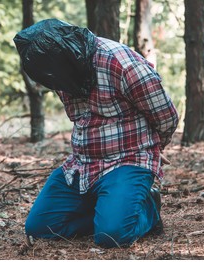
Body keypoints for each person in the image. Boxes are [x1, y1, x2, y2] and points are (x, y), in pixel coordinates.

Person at [13, 19, 179, 248]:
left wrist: (156, 148)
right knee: (40, 227)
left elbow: (166, 116)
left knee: (113, 236)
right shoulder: (58, 69)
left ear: (69, 56)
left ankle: (147, 208)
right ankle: (110, 210)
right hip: (82, 164)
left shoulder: (121, 63)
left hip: (128, 160)